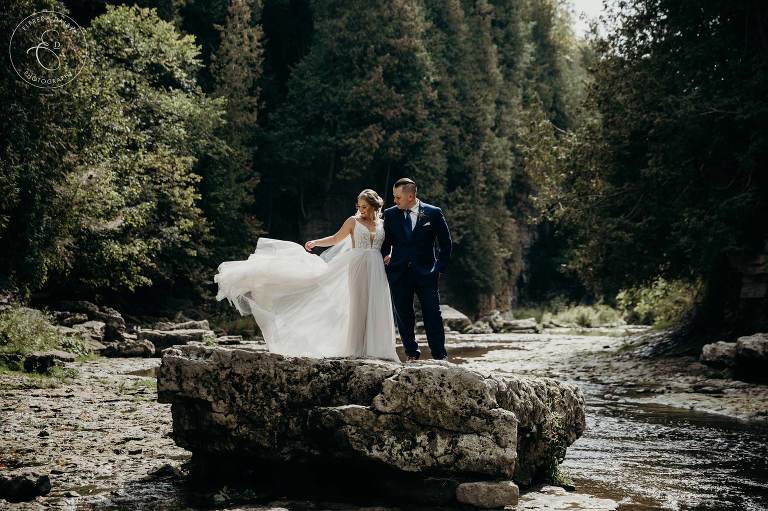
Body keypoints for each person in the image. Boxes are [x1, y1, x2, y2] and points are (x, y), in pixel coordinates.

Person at [214, 189, 399, 362]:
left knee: (377, 304)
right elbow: (336, 238)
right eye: (358, 206)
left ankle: (378, 349)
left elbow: (390, 244)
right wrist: (316, 242)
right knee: (358, 305)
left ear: (375, 206)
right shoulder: (353, 221)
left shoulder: (384, 223)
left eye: (364, 207)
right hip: (357, 266)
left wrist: (390, 255)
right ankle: (357, 349)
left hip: (376, 266)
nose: (361, 210)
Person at [380, 178, 452, 361]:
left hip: (427, 274)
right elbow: (385, 244)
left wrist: (438, 268)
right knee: (404, 316)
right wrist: (385, 258)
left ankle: (439, 356)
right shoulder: (390, 214)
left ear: (410, 196)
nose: (395, 201)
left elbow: (446, 244)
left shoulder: (433, 213)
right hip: (399, 273)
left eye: (398, 197)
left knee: (432, 315)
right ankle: (412, 354)